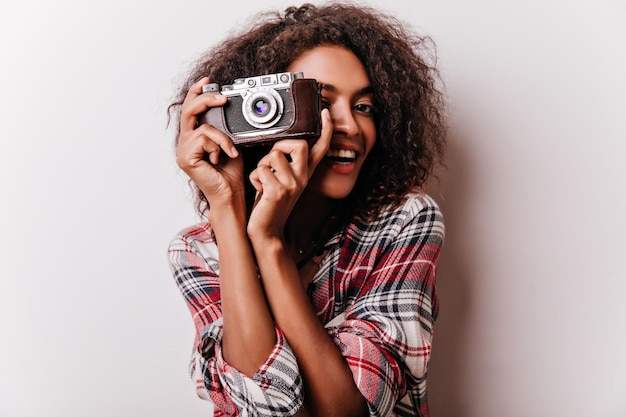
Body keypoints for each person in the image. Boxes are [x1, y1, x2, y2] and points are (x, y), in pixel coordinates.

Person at [167, 3, 447, 416]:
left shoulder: (404, 221)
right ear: (254, 119)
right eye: (320, 102)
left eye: (365, 107)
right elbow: (264, 408)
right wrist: (227, 211)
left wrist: (269, 243)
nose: (348, 124)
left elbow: (345, 411)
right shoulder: (197, 251)